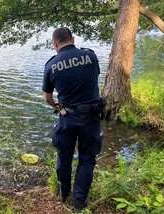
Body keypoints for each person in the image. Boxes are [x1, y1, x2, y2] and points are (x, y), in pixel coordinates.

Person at [42, 27, 103, 212]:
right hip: (91, 118)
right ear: (73, 39)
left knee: (64, 157)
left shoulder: (51, 65)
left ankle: (63, 193)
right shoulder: (90, 57)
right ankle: (79, 202)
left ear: (55, 44)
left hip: (67, 116)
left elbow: (47, 98)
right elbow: (93, 79)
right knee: (86, 159)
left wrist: (57, 107)